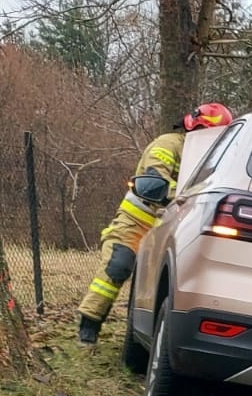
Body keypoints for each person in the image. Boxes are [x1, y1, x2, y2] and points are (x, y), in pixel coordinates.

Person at [77, 102, 233, 345]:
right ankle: (89, 325)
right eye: (205, 132)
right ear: (193, 128)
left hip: (173, 230)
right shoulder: (168, 145)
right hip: (137, 221)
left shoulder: (215, 160)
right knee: (117, 266)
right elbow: (153, 180)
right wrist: (186, 194)